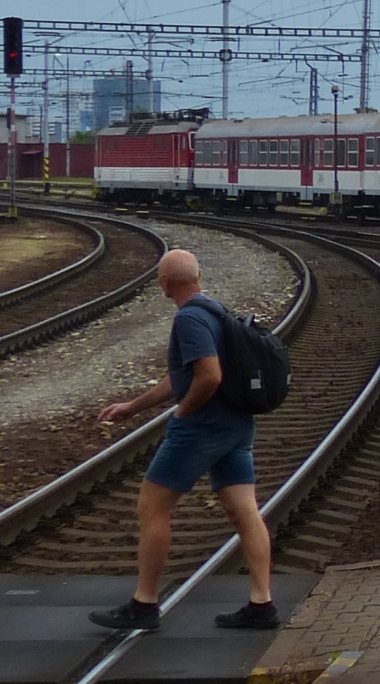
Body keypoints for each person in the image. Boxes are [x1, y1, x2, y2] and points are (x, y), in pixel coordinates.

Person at [89, 249, 279, 632]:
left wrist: (183, 412)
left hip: (202, 427)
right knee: (244, 511)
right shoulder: (213, 309)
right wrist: (134, 406)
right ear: (197, 276)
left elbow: (208, 377)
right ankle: (262, 605)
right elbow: (182, 377)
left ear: (164, 282)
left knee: (151, 506)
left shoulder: (189, 319)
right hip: (236, 424)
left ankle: (144, 603)